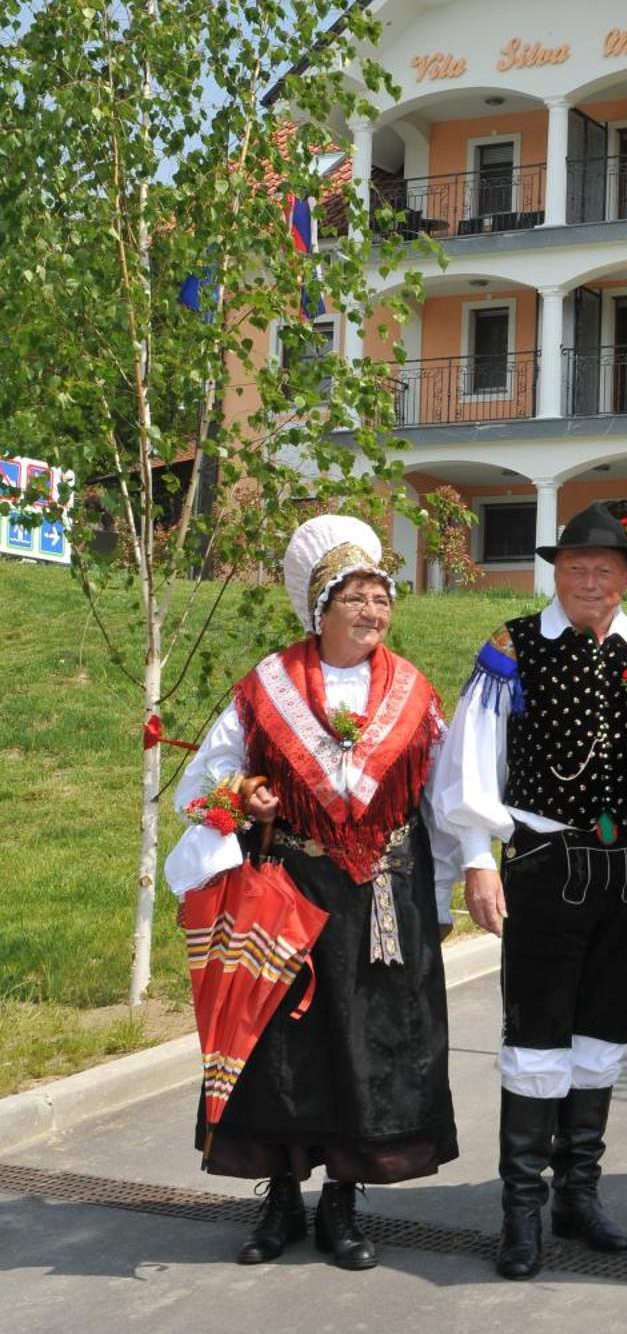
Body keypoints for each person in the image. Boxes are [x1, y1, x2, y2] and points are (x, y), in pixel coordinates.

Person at [438, 502, 627, 1281]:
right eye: (576, 569)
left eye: (606, 571)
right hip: (549, 864)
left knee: (603, 1034)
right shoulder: (516, 646)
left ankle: (578, 1193)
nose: (591, 582)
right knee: (537, 1035)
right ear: (556, 573)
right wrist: (478, 857)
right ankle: (521, 1213)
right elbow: (471, 756)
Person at [164, 514, 462, 1271]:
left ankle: (341, 1203)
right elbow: (201, 784)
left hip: (382, 900)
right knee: (282, 1045)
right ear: (319, 608)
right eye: (356, 597)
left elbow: (445, 796)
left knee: (368, 1044)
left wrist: (453, 885)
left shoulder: (414, 691)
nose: (372, 612)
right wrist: (248, 795)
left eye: (381, 598)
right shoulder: (267, 687)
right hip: (289, 892)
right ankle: (279, 1201)